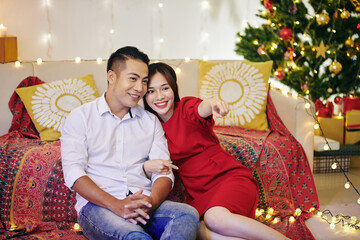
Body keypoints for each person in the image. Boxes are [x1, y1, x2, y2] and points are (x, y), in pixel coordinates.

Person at [60, 47, 199, 240]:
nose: (140, 88)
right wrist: (115, 204)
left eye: (144, 81)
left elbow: (163, 171)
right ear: (111, 76)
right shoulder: (80, 117)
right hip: (98, 207)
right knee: (134, 236)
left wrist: (151, 201)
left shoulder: (150, 121)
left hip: (143, 203)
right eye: (133, 79)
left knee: (187, 214)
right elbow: (74, 173)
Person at [143, 62, 290, 240]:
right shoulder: (150, 126)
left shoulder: (186, 108)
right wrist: (146, 165)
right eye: (151, 91)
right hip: (198, 193)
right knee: (194, 228)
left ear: (173, 88)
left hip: (227, 178)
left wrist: (213, 105)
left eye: (164, 88)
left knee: (214, 219)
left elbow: (200, 108)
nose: (159, 96)